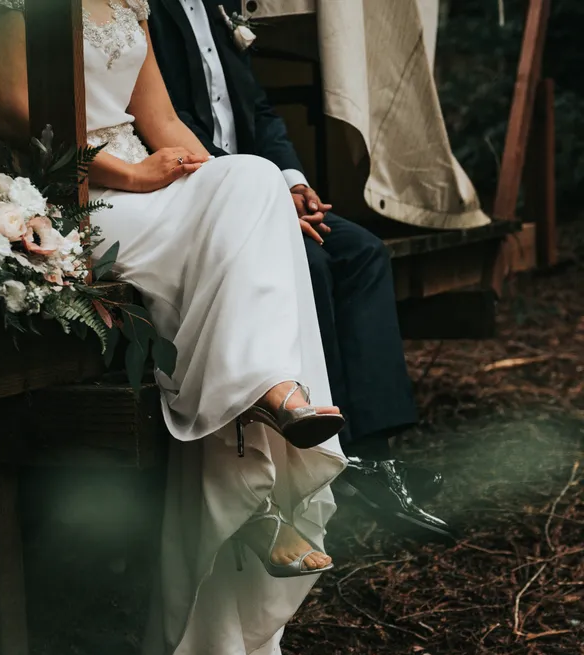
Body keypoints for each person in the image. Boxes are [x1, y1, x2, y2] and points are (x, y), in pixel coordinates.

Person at [0, 0, 353, 655]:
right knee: (252, 206)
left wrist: (225, 187)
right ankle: (271, 402)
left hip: (153, 184)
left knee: (255, 178)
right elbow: (17, 119)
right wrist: (135, 174)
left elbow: (164, 121)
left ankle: (264, 392)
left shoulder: (127, 1)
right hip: (75, 198)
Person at [146, 0, 453, 539]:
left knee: (361, 253)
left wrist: (291, 182)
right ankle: (322, 462)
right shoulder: (148, 10)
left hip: (265, 187)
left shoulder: (219, 11)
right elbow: (168, 125)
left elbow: (260, 112)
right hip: (205, 192)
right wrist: (259, 194)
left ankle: (374, 459)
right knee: (307, 263)